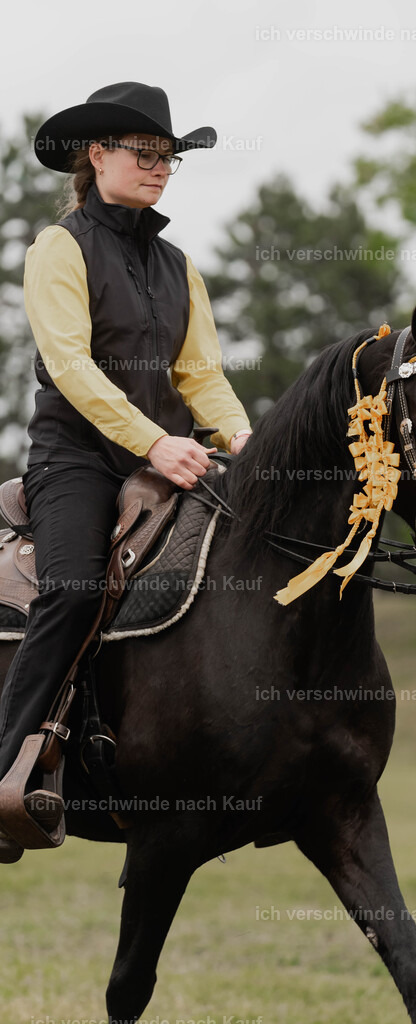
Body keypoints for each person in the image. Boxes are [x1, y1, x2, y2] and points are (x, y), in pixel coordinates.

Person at [0, 82, 253, 863]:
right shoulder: (59, 247)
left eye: (169, 158)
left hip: (172, 454)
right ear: (97, 155)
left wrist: (249, 443)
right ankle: (5, 771)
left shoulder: (180, 265)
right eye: (146, 154)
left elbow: (201, 378)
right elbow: (71, 366)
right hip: (77, 459)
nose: (161, 169)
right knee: (74, 588)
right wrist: (153, 444)